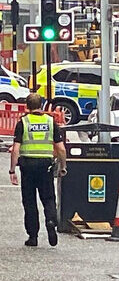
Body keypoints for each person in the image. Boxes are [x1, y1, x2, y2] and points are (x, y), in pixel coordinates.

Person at [9, 94, 67, 247]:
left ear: (27, 106)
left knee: (29, 201)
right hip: (45, 166)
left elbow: (15, 149)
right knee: (48, 198)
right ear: (41, 105)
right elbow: (61, 149)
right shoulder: (50, 121)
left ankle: (33, 236)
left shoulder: (23, 122)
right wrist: (63, 167)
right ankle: (50, 221)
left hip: (27, 166)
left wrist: (12, 170)